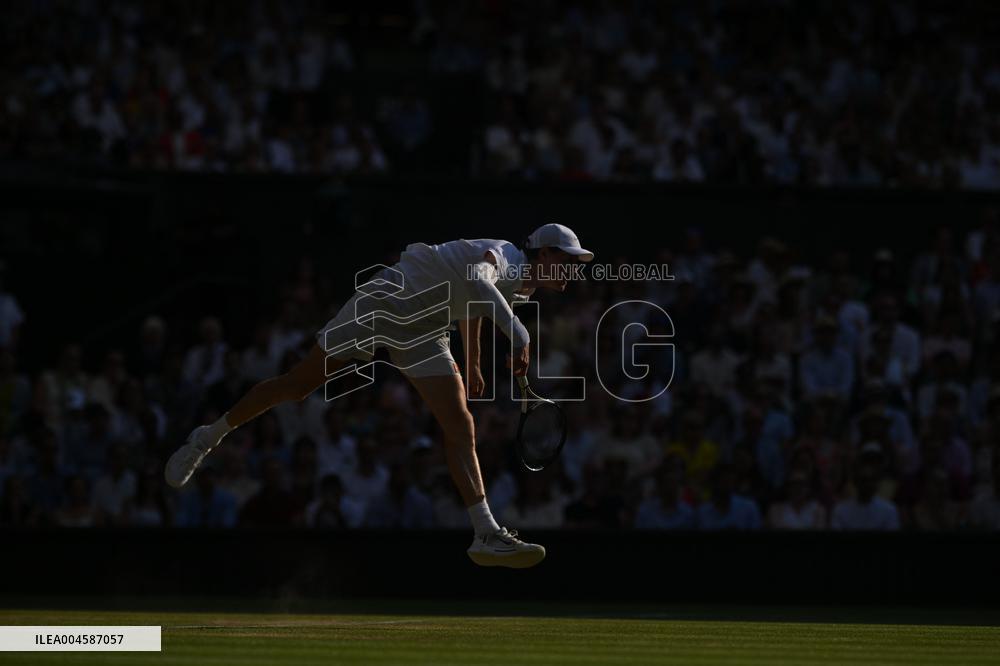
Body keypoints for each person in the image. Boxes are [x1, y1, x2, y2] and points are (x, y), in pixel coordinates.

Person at [165, 223, 593, 568]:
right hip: (384, 304)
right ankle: (208, 436)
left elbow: (472, 305)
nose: (574, 269)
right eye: (568, 260)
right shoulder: (505, 255)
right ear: (544, 255)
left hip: (424, 331)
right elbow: (479, 279)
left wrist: (475, 361)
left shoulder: (523, 289)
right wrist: (516, 333)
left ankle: (484, 534)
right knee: (297, 386)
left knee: (460, 422)